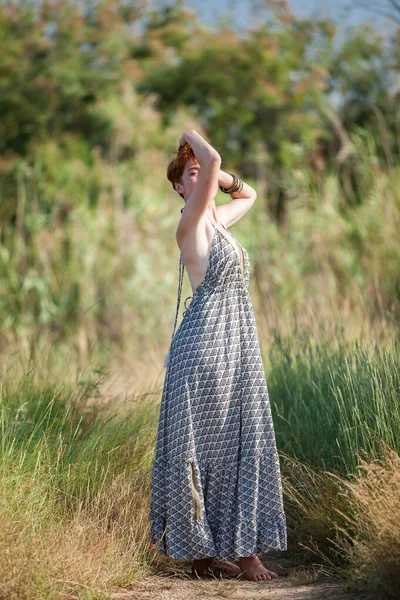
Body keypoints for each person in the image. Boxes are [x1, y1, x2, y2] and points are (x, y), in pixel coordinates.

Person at [150, 129, 287, 582]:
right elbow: (213, 162)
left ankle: (223, 553)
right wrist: (192, 140)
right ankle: (220, 556)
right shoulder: (189, 225)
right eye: (189, 175)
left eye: (199, 171)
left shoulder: (218, 224)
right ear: (179, 189)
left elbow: (249, 193)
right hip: (204, 347)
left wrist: (215, 173)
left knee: (237, 438)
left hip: (236, 344)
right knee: (210, 445)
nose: (202, 176)